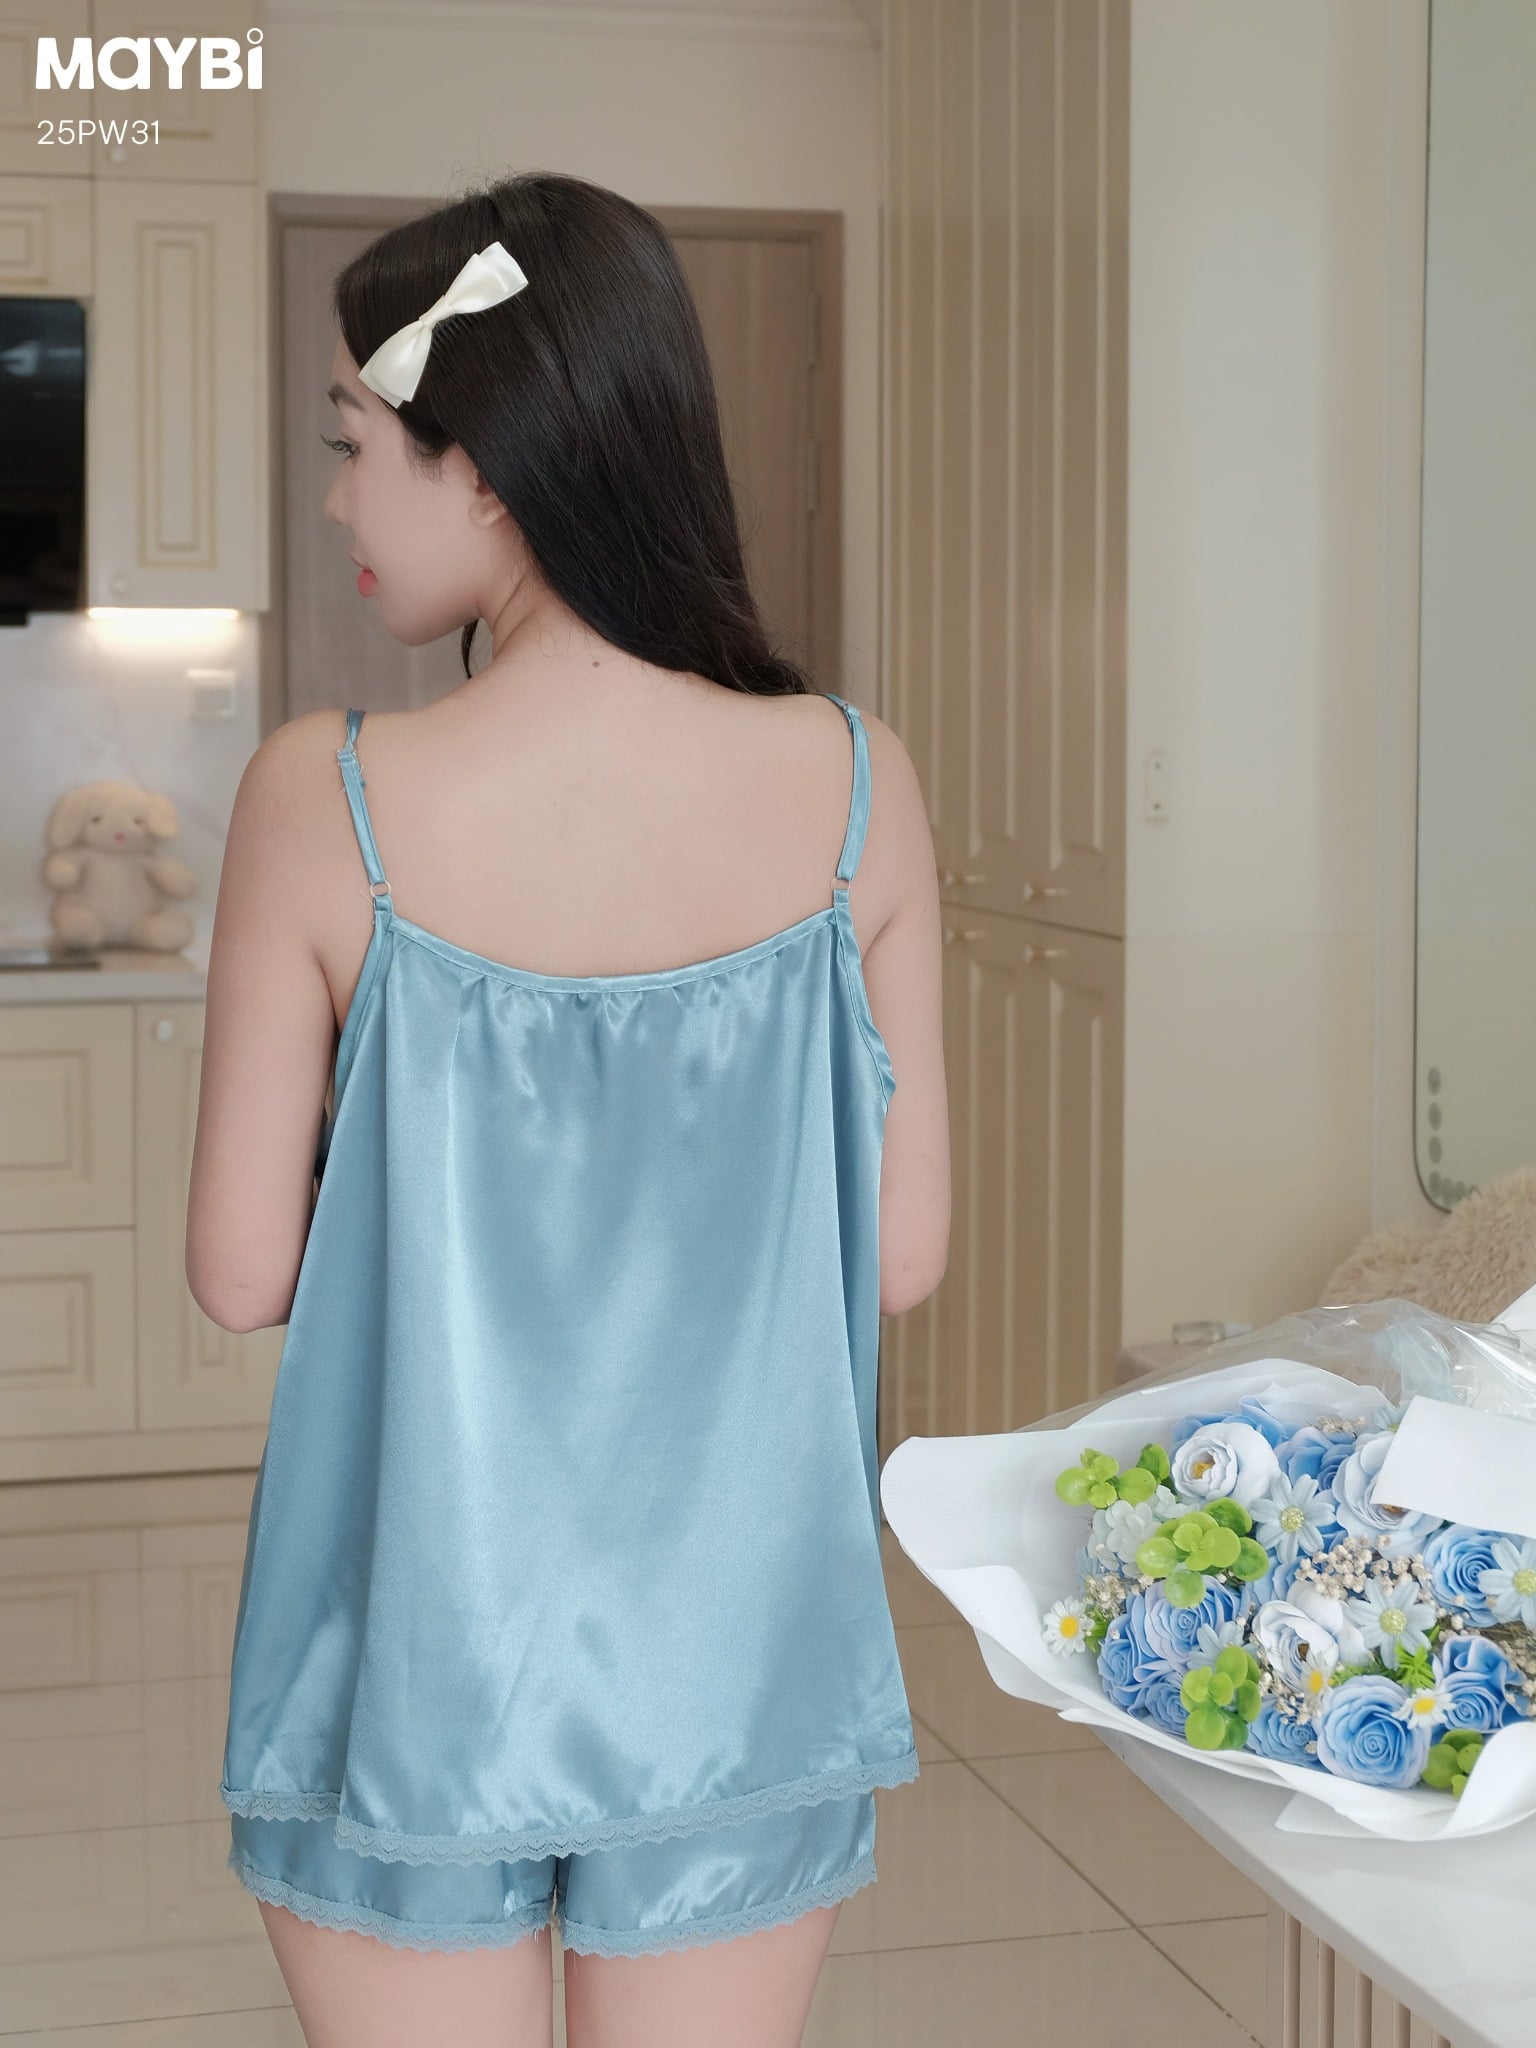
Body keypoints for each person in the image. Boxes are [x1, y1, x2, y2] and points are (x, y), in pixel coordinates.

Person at [186, 169, 950, 2048]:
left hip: (409, 1656)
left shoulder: (323, 795)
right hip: (737, 1664)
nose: (339, 500)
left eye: (354, 444)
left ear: (486, 464)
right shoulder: (856, 784)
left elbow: (239, 1270)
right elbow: (903, 1256)